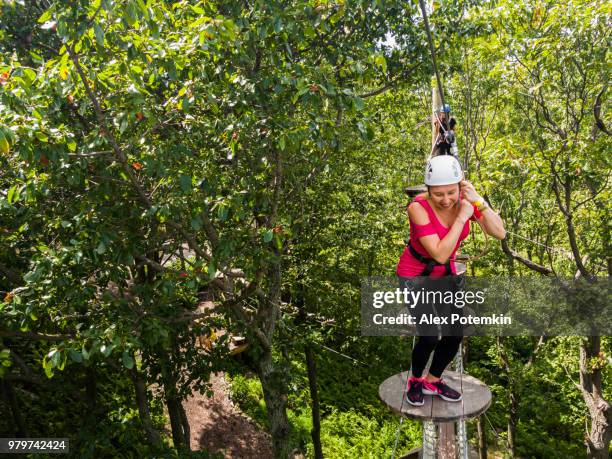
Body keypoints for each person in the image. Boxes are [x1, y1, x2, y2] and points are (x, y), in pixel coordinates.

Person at [397, 155, 505, 406]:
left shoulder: (467, 202)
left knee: (455, 332)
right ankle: (415, 379)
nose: (446, 200)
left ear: (461, 186)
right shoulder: (417, 208)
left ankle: (432, 381)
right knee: (429, 334)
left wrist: (478, 201)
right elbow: (440, 253)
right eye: (438, 194)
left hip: (445, 276)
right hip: (415, 276)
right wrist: (461, 216)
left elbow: (499, 233)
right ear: (428, 191)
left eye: (451, 192)